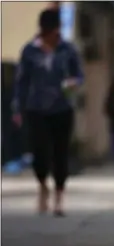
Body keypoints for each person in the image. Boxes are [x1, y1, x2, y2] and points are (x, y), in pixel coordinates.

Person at [11, 8, 84, 217]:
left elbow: (79, 75)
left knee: (61, 154)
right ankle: (43, 186)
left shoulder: (68, 50)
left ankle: (59, 197)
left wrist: (73, 83)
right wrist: (18, 108)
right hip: (36, 107)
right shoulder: (30, 51)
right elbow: (21, 82)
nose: (50, 36)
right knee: (39, 153)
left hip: (62, 107)